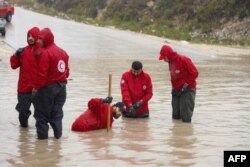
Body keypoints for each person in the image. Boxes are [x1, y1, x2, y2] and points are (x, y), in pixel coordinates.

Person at [33, 28, 70, 139]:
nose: (38, 41)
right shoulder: (63, 52)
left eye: (40, 39)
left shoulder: (45, 53)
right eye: (38, 38)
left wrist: (35, 89)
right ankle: (57, 142)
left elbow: (41, 75)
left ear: (47, 39)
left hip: (47, 89)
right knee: (57, 115)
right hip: (62, 89)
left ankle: (42, 148)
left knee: (41, 116)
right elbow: (67, 72)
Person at [158, 45, 199, 123]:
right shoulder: (170, 62)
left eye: (164, 57)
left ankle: (186, 132)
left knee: (186, 117)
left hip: (188, 90)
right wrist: (173, 88)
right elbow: (174, 76)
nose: (163, 60)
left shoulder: (183, 59)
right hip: (176, 90)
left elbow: (195, 73)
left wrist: (185, 85)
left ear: (169, 55)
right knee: (175, 116)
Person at [10, 26, 40, 128]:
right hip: (24, 89)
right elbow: (13, 66)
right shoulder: (22, 51)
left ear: (38, 37)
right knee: (22, 113)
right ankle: (24, 136)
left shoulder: (42, 51)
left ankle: (41, 137)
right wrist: (15, 55)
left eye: (32, 36)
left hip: (39, 89)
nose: (30, 38)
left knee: (41, 115)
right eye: (28, 36)